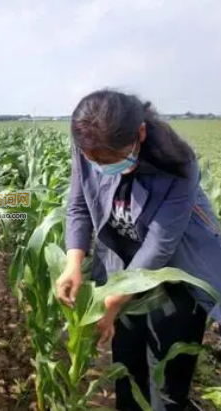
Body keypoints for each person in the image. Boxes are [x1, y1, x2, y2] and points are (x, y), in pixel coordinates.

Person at [55, 88, 221, 411]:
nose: (102, 168)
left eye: (112, 160)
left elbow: (160, 245)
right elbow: (78, 204)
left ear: (140, 134)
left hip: (177, 272)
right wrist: (73, 262)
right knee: (127, 366)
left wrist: (114, 299)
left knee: (167, 380)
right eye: (95, 162)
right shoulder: (87, 146)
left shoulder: (179, 165)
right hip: (121, 266)